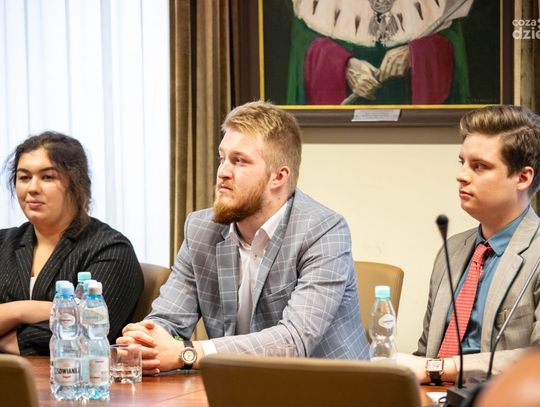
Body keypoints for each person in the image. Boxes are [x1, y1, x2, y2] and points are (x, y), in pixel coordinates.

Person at [119, 101, 368, 374]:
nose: (223, 172)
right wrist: (145, 340)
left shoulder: (324, 231)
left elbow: (294, 340)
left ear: (278, 176)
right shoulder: (201, 229)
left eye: (239, 161)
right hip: (233, 386)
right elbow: (169, 319)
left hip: (326, 387)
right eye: (222, 158)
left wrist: (187, 352)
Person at [397, 105, 540, 383]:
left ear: (522, 177)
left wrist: (438, 367)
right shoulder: (453, 249)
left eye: (479, 166)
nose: (461, 175)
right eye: (462, 162)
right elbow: (426, 353)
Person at [0, 131, 144, 355]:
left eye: (48, 177)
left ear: (76, 183)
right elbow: (66, 327)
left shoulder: (110, 249)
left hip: (77, 376)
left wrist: (8, 331)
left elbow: (90, 334)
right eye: (24, 177)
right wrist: (24, 310)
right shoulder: (4, 243)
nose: (32, 188)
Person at [287, 0, 471, 105]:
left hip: (413, 115)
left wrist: (414, 53)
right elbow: (303, 44)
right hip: (343, 124)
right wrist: (343, 66)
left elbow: (451, 40)